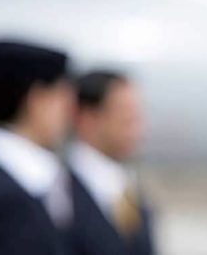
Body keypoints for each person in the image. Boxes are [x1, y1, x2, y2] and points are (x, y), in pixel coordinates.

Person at [0, 40, 74, 255]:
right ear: (36, 100)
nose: (68, 113)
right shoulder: (9, 201)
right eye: (62, 97)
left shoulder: (7, 185)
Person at [65, 71, 154, 255]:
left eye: (136, 117)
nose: (138, 130)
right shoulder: (57, 194)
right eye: (126, 118)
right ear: (87, 119)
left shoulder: (129, 190)